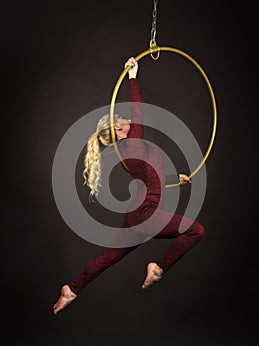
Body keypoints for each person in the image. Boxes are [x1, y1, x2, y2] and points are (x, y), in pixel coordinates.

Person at [53, 57, 205, 315]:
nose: (128, 120)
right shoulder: (132, 144)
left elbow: (150, 176)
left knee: (109, 257)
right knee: (196, 231)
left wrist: (174, 179)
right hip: (146, 214)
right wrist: (133, 77)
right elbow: (139, 112)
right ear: (117, 127)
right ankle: (157, 269)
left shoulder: (127, 151)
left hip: (136, 214)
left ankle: (73, 289)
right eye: (123, 119)